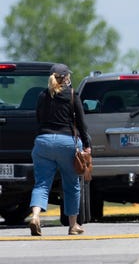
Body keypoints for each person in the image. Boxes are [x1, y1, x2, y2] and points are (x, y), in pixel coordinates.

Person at [29, 63, 92, 236]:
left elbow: (38, 119)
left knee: (41, 183)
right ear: (65, 78)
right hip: (67, 144)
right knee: (71, 185)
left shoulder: (42, 95)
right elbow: (81, 124)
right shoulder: (72, 95)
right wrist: (87, 145)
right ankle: (73, 225)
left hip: (43, 142)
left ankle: (35, 216)